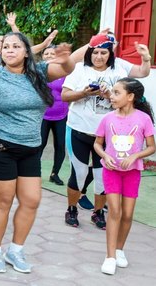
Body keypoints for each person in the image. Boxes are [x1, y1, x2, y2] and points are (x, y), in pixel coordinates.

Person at [0, 34, 75, 274]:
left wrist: (66, 59)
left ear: (27, 51)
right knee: (3, 201)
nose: (9, 50)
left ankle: (15, 250)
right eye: (6, 47)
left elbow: (66, 69)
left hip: (30, 147)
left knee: (31, 200)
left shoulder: (39, 72)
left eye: (16, 46)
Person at [61, 34, 151, 230]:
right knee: (80, 173)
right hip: (79, 129)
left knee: (102, 176)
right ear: (89, 52)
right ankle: (72, 209)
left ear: (110, 53)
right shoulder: (79, 69)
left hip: (109, 135)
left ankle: (98, 212)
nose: (99, 57)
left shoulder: (119, 68)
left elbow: (143, 72)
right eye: (95, 53)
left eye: (103, 53)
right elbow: (65, 95)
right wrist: (84, 93)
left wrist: (146, 58)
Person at [93, 78, 155, 275]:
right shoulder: (107, 118)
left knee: (127, 214)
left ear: (130, 97)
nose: (111, 96)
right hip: (111, 171)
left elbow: (151, 147)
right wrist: (105, 156)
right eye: (112, 92)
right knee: (115, 211)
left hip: (132, 173)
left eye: (116, 93)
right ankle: (110, 256)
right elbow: (97, 144)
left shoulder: (144, 119)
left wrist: (135, 156)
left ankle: (119, 249)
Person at [39, 45, 68, 186]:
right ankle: (35, 172)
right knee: (40, 144)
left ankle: (54, 174)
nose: (49, 56)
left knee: (60, 145)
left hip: (61, 115)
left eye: (52, 53)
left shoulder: (64, 72)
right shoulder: (37, 72)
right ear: (42, 56)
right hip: (42, 115)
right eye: (47, 53)